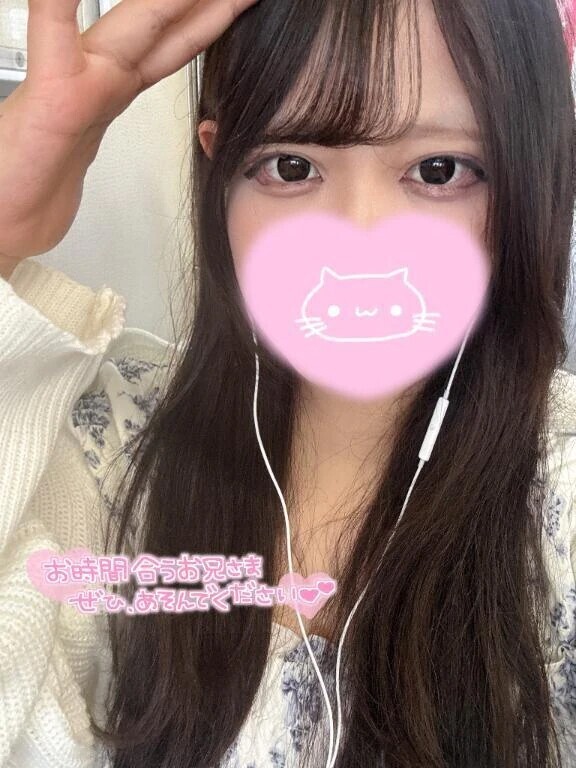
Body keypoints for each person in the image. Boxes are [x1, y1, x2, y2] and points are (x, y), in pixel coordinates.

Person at [1, 0, 575, 766]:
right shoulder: (115, 447)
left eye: (439, 171)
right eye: (292, 167)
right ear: (221, 173)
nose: (360, 241)